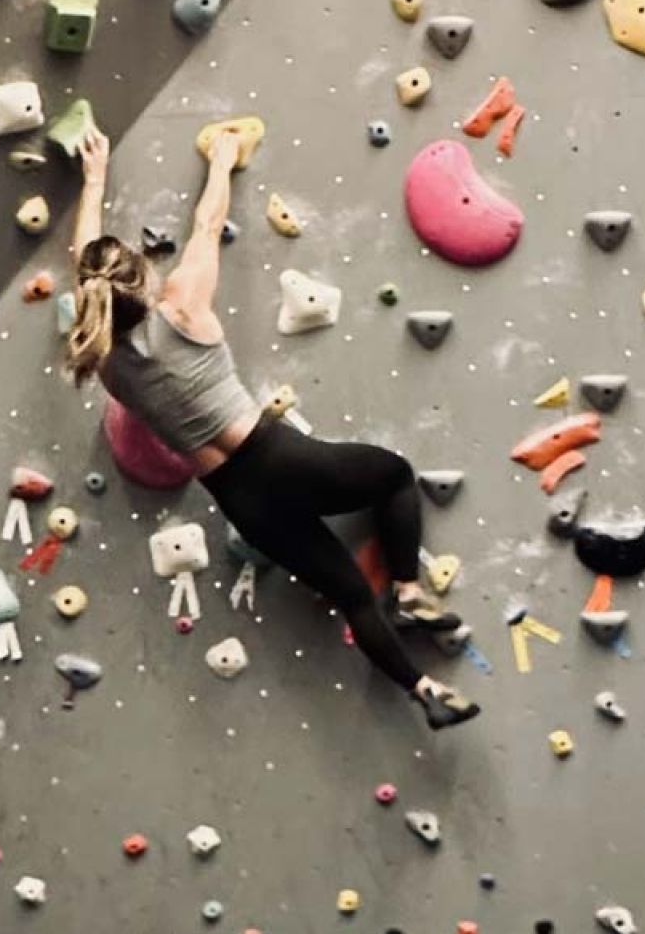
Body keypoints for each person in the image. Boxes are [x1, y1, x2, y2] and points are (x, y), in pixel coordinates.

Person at [62, 124, 481, 730]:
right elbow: (207, 226)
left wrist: (95, 180)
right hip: (280, 458)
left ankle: (422, 689)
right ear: (142, 281)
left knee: (351, 595)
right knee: (393, 476)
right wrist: (223, 161)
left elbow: (86, 268)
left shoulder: (102, 357)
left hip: (239, 501)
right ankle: (412, 593)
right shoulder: (181, 306)